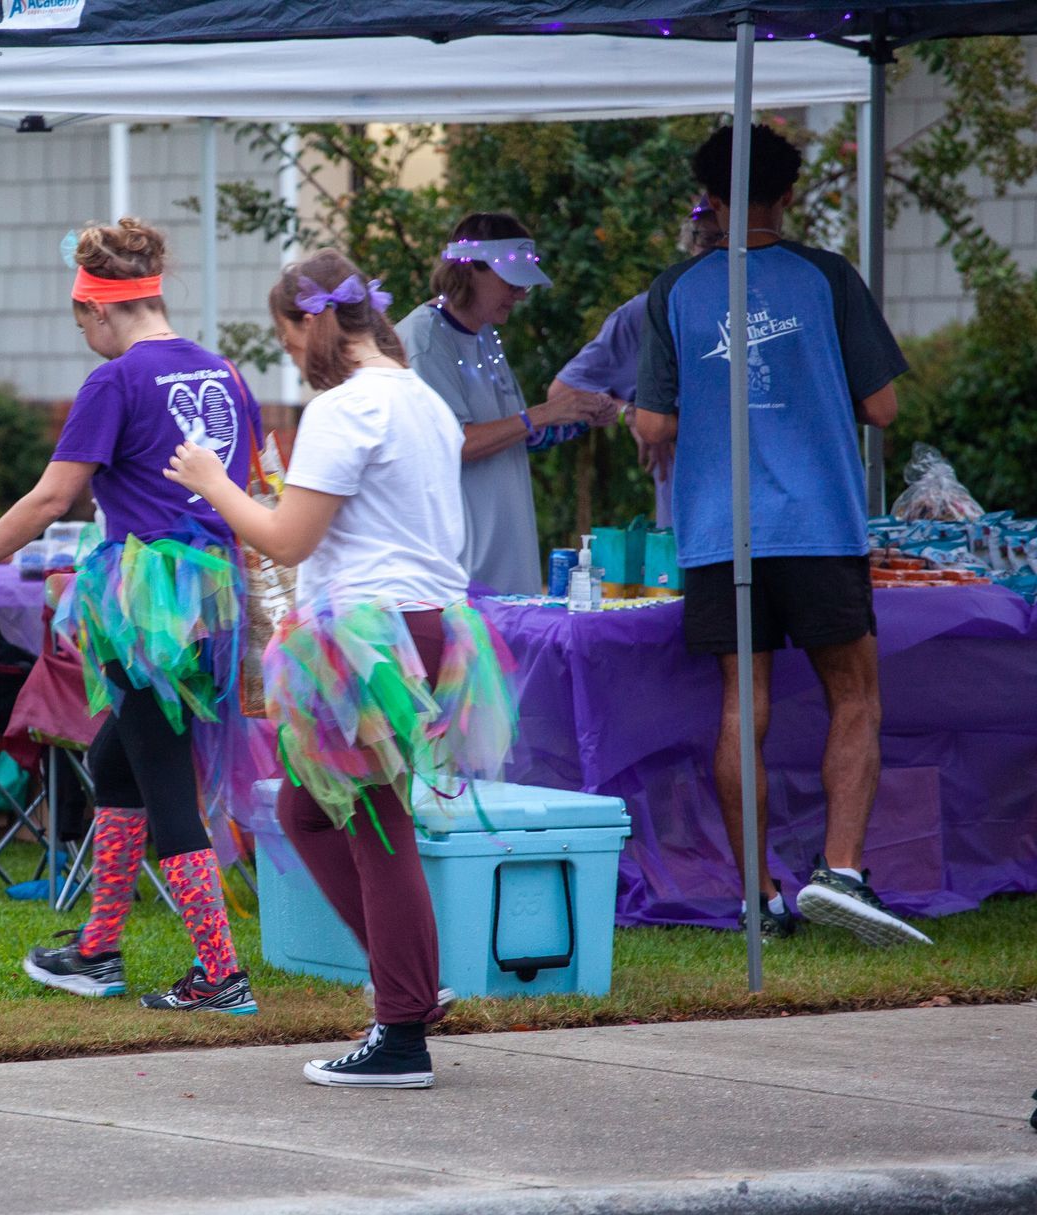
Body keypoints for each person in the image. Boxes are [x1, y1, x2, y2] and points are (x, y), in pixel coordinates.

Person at [167, 248, 518, 1088]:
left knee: (371, 823)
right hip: (427, 626)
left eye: (289, 340)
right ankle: (411, 987)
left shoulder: (346, 407)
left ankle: (400, 1030)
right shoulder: (419, 399)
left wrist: (214, 480)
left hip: (364, 637)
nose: (292, 357)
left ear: (312, 322)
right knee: (310, 809)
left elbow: (287, 540)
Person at [0, 217, 263, 1013]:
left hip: (145, 604)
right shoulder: (223, 373)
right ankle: (98, 948)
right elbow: (252, 484)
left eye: (80, 325)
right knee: (116, 761)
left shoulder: (117, 381)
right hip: (211, 598)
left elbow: (51, 499)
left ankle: (219, 972)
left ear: (100, 309)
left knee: (165, 780)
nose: (84, 341)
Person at [632, 124, 930, 948]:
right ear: (789, 193)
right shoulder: (828, 278)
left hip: (719, 529)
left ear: (709, 196)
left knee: (742, 703)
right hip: (819, 519)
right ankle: (841, 872)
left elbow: (652, 419)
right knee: (855, 695)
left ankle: (758, 894)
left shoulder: (677, 290)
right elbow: (883, 408)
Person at [394, 213, 612, 595]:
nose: (522, 294)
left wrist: (579, 417)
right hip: (459, 576)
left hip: (501, 569)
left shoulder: (483, 335)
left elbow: (515, 435)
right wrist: (545, 413)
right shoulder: (425, 338)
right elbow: (455, 443)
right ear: (469, 270)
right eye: (511, 282)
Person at [549, 200, 728, 529]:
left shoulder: (770, 306)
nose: (718, 253)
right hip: (687, 527)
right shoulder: (645, 312)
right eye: (707, 239)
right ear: (688, 242)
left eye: (728, 240)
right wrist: (629, 413)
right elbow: (562, 391)